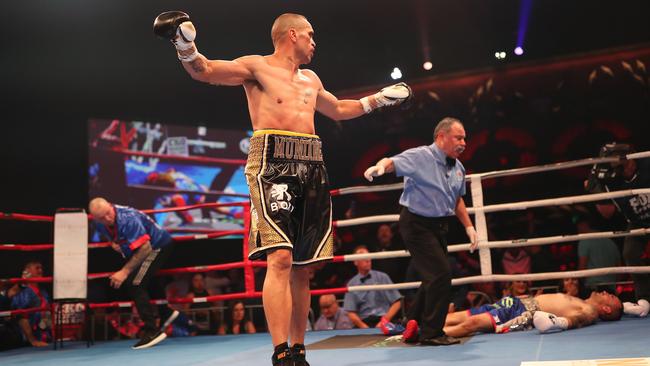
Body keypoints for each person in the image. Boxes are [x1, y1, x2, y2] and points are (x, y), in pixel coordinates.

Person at [153, 11, 411, 365]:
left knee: (303, 267)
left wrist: (378, 100)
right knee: (280, 258)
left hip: (312, 163)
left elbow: (336, 109)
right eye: (310, 34)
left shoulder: (311, 79)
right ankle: (280, 352)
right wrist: (184, 44)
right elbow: (206, 70)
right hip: (272, 164)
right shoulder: (257, 67)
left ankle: (299, 348)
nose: (314, 41)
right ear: (293, 34)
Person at [363, 117, 478, 345]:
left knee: (433, 276)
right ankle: (432, 333)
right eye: (458, 137)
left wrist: (469, 226)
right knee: (440, 274)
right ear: (441, 137)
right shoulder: (421, 156)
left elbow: (457, 200)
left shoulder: (458, 168)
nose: (463, 142)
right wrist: (380, 167)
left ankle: (413, 321)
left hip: (438, 225)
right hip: (415, 223)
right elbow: (392, 161)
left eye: (464, 137)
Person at [89, 197, 178, 349]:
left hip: (156, 246)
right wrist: (113, 242)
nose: (107, 218)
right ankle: (165, 312)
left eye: (108, 213)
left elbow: (145, 248)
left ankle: (152, 331)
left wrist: (124, 271)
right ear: (96, 218)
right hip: (142, 249)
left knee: (135, 284)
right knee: (143, 278)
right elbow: (110, 233)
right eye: (102, 217)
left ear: (111, 206)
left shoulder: (127, 218)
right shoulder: (99, 222)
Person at [586, 143, 650, 317]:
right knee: (630, 253)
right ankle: (644, 299)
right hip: (637, 222)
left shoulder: (647, 164)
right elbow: (608, 213)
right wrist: (596, 192)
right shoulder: (612, 181)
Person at [441, 291, 622, 338]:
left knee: (472, 323)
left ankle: (428, 335)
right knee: (459, 316)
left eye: (611, 297)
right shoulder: (582, 301)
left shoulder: (589, 312)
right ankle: (421, 327)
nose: (606, 292)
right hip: (517, 302)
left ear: (606, 309)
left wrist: (558, 322)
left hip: (523, 313)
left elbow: (578, 321)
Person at [343, 246, 402, 328]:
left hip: (384, 318)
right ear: (355, 262)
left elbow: (397, 302)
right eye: (364, 258)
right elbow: (350, 312)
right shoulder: (352, 284)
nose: (368, 260)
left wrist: (384, 321)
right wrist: (364, 327)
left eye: (369, 257)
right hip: (364, 322)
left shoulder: (382, 277)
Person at [10, 261, 51, 347]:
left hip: (44, 338)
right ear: (27, 271)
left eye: (41, 268)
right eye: (37, 268)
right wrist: (32, 341)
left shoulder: (44, 292)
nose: (40, 270)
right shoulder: (25, 292)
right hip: (27, 342)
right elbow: (21, 316)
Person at [576, 218, 621, 293]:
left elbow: (582, 267)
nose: (577, 229)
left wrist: (580, 285)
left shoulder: (584, 241)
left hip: (593, 288)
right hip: (611, 288)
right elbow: (619, 269)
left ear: (584, 225)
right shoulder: (611, 242)